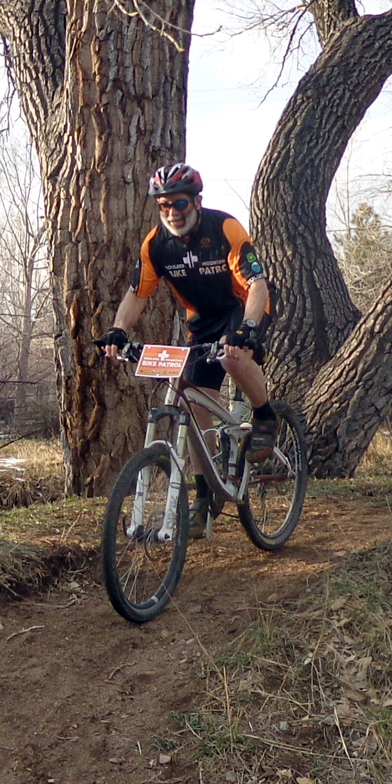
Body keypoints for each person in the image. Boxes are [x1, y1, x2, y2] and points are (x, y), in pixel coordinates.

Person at [97, 162, 277, 539]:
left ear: (196, 201)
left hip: (243, 308)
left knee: (232, 354)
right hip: (203, 320)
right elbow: (137, 293)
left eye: (178, 204)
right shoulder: (156, 245)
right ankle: (204, 495)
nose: (171, 213)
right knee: (194, 402)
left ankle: (264, 417)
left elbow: (258, 283)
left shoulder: (224, 227)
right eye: (163, 206)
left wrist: (247, 328)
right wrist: (117, 330)